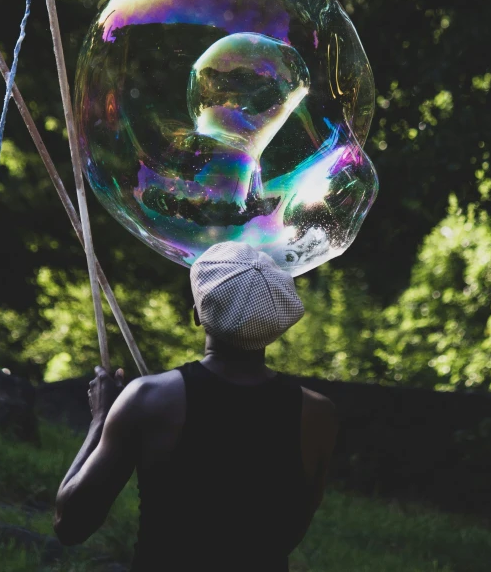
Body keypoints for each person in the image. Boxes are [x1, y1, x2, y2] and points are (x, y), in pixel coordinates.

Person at [54, 241, 339, 571]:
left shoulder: (150, 399)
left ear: (197, 314)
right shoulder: (318, 414)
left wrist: (101, 419)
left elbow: (69, 524)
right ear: (274, 326)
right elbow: (292, 530)